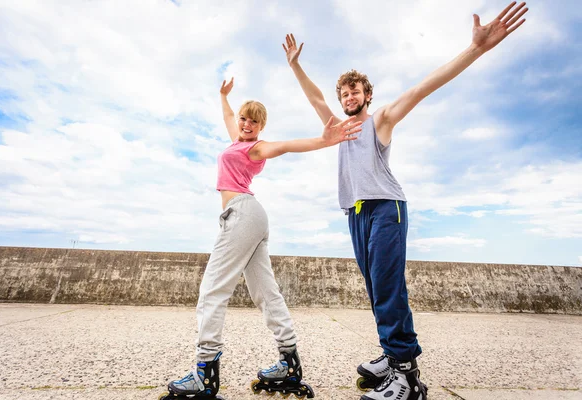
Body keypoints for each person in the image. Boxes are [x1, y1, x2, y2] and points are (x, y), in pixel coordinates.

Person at [282, 2, 528, 400]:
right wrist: (295, 66)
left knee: (388, 285)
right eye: (343, 93)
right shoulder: (340, 129)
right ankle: (390, 354)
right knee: (377, 288)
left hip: (386, 208)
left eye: (355, 91)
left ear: (367, 95)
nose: (348, 96)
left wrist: (477, 48)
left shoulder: (380, 119)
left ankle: (407, 375)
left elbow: (421, 88)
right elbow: (314, 100)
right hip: (356, 213)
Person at [159, 77, 362, 400]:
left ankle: (204, 375)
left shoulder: (256, 148)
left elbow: (285, 146)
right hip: (252, 218)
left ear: (260, 126)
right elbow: (228, 118)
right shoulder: (236, 140)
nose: (246, 123)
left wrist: (325, 141)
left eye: (254, 121)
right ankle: (289, 362)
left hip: (242, 214)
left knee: (212, 290)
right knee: (266, 292)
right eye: (244, 118)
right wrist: (223, 96)